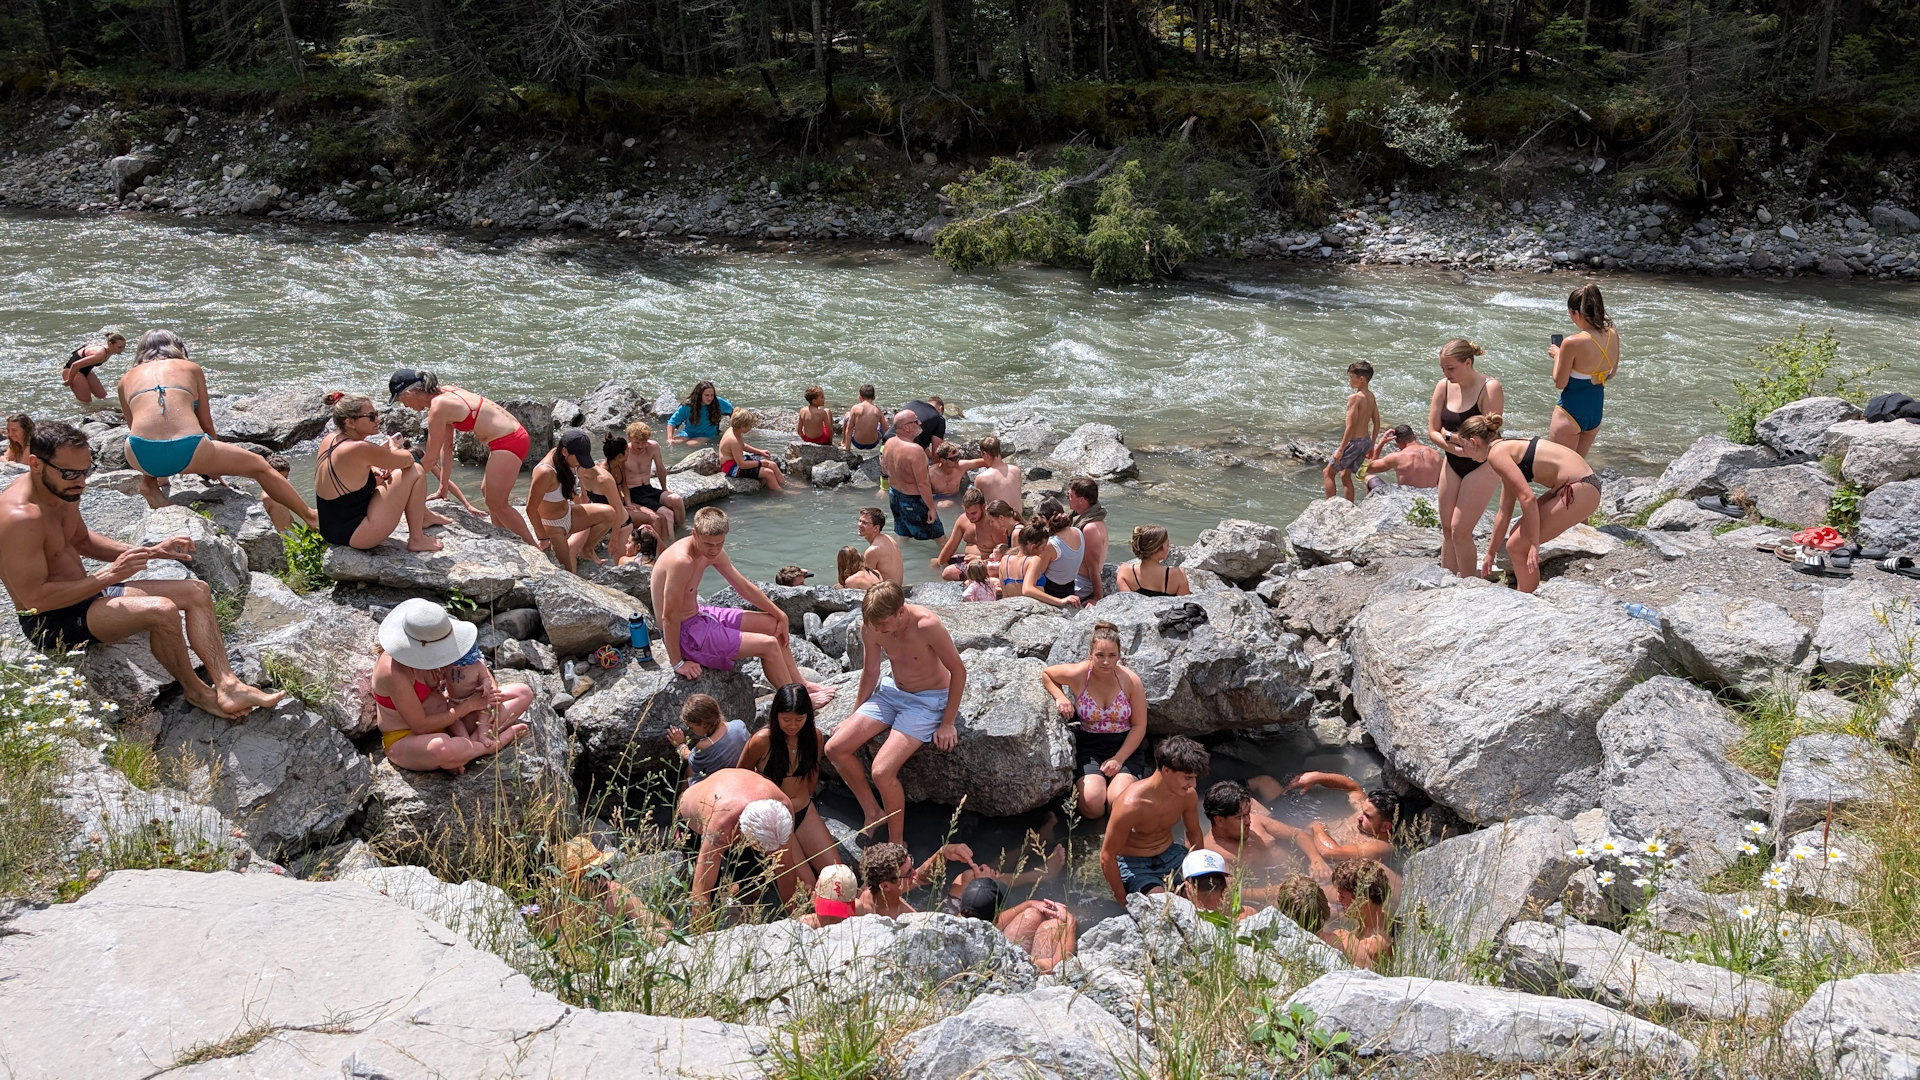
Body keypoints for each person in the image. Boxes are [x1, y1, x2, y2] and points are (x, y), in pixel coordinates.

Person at [0, 421, 284, 719]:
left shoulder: (63, 489)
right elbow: (35, 601)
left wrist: (150, 551)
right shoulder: (18, 519)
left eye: (86, 471)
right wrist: (109, 575)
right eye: (71, 473)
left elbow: (81, 539)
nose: (81, 482)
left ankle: (228, 685)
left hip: (88, 592)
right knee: (161, 611)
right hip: (53, 620)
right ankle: (196, 691)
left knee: (196, 592)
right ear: (34, 464)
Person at [118, 331, 319, 525]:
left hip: (138, 454)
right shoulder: (191, 369)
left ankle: (151, 482)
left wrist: (156, 469)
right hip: (188, 449)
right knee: (259, 466)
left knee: (149, 437)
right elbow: (206, 424)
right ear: (178, 348)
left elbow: (135, 427)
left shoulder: (125, 380)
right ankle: (310, 516)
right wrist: (214, 468)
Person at [823, 580, 966, 846]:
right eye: (874, 625)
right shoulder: (872, 626)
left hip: (928, 701)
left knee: (882, 770)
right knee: (835, 748)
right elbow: (871, 672)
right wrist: (854, 716)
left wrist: (948, 722)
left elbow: (958, 671)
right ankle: (873, 812)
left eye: (883, 625)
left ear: (901, 611)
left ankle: (897, 842)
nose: (878, 631)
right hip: (892, 692)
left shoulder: (927, 625)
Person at [651, 506, 837, 706]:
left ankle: (801, 683)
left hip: (700, 614)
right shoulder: (682, 561)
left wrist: (780, 614)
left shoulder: (712, 551)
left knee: (773, 624)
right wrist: (678, 662)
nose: (714, 550)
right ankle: (797, 702)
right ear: (694, 534)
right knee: (769, 645)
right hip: (686, 634)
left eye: (719, 543)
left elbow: (743, 586)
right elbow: (668, 618)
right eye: (708, 544)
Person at [371, 599, 532, 774]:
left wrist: (487, 690)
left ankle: (467, 748)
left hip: (452, 720)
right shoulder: (393, 671)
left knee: (522, 693)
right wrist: (470, 705)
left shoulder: (436, 642)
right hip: (409, 738)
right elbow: (420, 726)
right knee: (442, 748)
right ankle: (485, 747)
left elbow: (480, 668)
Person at [388, 368, 537, 546]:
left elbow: (429, 460)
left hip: (509, 441)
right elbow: (447, 447)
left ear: (411, 392)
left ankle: (534, 548)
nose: (404, 406)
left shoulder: (438, 407)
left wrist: (399, 479)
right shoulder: (445, 392)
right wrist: (442, 489)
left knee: (497, 503)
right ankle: (502, 536)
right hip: (511, 436)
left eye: (400, 399)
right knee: (487, 493)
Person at [1461, 413, 1605, 593]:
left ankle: (1527, 601)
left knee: (1516, 546)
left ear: (1473, 441)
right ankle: (1524, 593)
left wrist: (1534, 544)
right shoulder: (1506, 448)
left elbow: (1527, 498)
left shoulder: (1496, 454)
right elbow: (1504, 512)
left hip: (1578, 489)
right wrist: (1490, 554)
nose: (1463, 452)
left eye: (1463, 446)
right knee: (1515, 539)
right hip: (1581, 487)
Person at [1040, 620, 1148, 821]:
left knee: (1118, 801)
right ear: (1091, 654)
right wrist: (1060, 697)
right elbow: (1047, 674)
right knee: (1092, 804)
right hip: (1091, 745)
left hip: (1125, 745)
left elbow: (1140, 725)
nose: (1106, 661)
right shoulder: (1080, 674)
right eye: (1100, 655)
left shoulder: (1130, 680)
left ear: (1119, 655)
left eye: (1112, 656)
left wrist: (1119, 759)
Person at [313, 392, 445, 552]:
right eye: (371, 416)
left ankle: (424, 516)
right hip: (357, 534)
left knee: (393, 471)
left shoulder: (331, 439)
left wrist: (374, 468)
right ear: (350, 422)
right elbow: (408, 460)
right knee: (415, 470)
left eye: (376, 414)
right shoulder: (359, 448)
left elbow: (347, 470)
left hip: (330, 529)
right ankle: (417, 538)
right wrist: (394, 448)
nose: (378, 420)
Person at [738, 683, 841, 885]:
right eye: (786, 719)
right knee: (808, 887)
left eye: (799, 719)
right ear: (775, 715)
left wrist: (809, 799)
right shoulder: (761, 740)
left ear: (807, 717)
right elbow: (741, 775)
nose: (792, 725)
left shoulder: (814, 736)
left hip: (804, 810)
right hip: (775, 817)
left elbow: (813, 772)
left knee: (838, 877)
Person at [1426, 339, 1505, 579]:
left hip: (1483, 465)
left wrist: (1449, 436)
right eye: (1442, 368)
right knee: (1448, 530)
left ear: (1468, 362)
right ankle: (1446, 583)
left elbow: (1487, 438)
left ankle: (1470, 585)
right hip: (1452, 461)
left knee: (1461, 530)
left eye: (1451, 368)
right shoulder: (1443, 386)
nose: (1446, 373)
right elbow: (1432, 430)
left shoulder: (1489, 388)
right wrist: (1454, 444)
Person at [1100, 736, 1209, 903]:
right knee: (1161, 904)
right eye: (1188, 777)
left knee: (1204, 896)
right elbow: (1107, 855)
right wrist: (1122, 899)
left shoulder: (1187, 796)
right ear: (1166, 770)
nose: (1193, 784)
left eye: (1195, 778)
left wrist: (1198, 872)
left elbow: (1194, 833)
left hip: (1171, 854)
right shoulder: (1130, 805)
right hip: (1136, 864)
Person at [676, 768, 797, 915]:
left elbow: (784, 866)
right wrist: (702, 935)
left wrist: (795, 915)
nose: (770, 854)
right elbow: (702, 889)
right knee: (709, 896)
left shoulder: (783, 807)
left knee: (751, 886)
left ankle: (737, 893)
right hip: (692, 816)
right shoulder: (721, 823)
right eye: (764, 849)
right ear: (744, 832)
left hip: (737, 800)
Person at [1202, 781, 1325, 902]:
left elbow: (1298, 835)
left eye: (1247, 814)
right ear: (1219, 821)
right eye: (1240, 817)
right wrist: (1278, 890)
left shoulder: (1257, 823)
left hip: (1306, 872)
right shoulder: (1213, 854)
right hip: (1275, 894)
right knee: (1329, 911)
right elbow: (1231, 891)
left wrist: (1316, 860)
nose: (1248, 821)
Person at [526, 429, 624, 572]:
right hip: (553, 526)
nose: (580, 463)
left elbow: (571, 488)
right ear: (565, 452)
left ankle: (587, 549)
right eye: (578, 458)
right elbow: (530, 508)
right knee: (568, 572)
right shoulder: (545, 472)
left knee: (610, 513)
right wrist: (543, 538)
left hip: (569, 514)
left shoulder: (563, 457)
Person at [1547, 283, 1621, 457]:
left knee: (1559, 474)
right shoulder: (1612, 334)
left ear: (1576, 313)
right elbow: (1612, 373)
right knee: (1577, 472)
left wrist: (1557, 355)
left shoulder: (1572, 342)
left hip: (1570, 412)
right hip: (1594, 413)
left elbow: (1560, 382)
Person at [1263, 771, 1399, 866]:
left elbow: (1330, 852)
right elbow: (1352, 787)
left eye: (1367, 816)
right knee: (1266, 787)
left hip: (1309, 855)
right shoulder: (1365, 812)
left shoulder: (1380, 847)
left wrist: (1316, 827)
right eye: (1362, 810)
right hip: (1303, 833)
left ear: (1385, 826)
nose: (1359, 816)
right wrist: (1317, 777)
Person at [951, 877, 1077, 975]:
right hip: (1019, 993)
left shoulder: (949, 932)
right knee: (1054, 926)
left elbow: (989, 923)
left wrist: (1028, 904)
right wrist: (1070, 923)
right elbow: (1054, 966)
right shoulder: (1000, 960)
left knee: (1031, 914)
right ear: (997, 915)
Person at [1324, 361, 1381, 503]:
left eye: (1351, 377)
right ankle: (1349, 506)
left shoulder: (1354, 398)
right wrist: (1372, 445)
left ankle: (1329, 507)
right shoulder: (1370, 396)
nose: (1350, 380)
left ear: (1361, 379)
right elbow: (1377, 422)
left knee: (1328, 473)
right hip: (1365, 442)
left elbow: (1350, 427)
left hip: (1354, 443)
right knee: (1345, 475)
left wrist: (1341, 450)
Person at [882, 409, 943, 540]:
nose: (920, 423)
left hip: (894, 497)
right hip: (913, 501)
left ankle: (895, 557)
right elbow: (923, 484)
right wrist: (931, 508)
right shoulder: (915, 451)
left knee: (904, 535)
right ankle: (945, 560)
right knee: (940, 538)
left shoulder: (889, 443)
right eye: (916, 421)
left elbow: (885, 470)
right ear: (906, 428)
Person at [623, 421, 684, 541]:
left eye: (643, 442)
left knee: (677, 500)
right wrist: (628, 502)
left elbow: (660, 469)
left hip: (648, 488)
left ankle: (682, 531)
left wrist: (665, 489)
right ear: (629, 438)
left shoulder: (653, 447)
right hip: (633, 492)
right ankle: (670, 544)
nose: (640, 446)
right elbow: (621, 480)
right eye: (637, 443)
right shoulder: (624, 452)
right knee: (667, 514)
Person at [1326, 859, 1394, 969]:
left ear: (1362, 901)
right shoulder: (1381, 918)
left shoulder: (1370, 946)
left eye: (1342, 896)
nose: (1338, 899)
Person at [669, 692, 750, 783]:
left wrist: (680, 745)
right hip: (743, 771)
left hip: (721, 782)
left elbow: (691, 758)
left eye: (691, 727)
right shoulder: (739, 725)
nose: (689, 729)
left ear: (703, 724)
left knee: (689, 772)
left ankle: (682, 795)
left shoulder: (705, 745)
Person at [1017, 501, 1084, 610]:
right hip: (1071, 587)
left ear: (1044, 517)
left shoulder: (1051, 544)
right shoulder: (1078, 531)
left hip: (1052, 592)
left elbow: (1038, 574)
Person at [932, 488, 1010, 580]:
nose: (970, 517)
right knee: (935, 562)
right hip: (968, 559)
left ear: (983, 507)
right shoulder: (963, 519)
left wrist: (978, 557)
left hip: (987, 563)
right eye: (967, 513)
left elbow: (1004, 553)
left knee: (948, 572)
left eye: (973, 513)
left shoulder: (993, 524)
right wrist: (940, 562)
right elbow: (951, 545)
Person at [1177, 848, 1255, 920]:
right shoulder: (1248, 915)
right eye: (1203, 884)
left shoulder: (1176, 920)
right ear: (1226, 885)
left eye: (1215, 881)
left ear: (1187, 886)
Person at [1364, 424, 1443, 494]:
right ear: (1415, 436)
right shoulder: (1435, 454)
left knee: (1369, 478)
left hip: (1406, 502)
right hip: (1428, 501)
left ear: (1397, 442)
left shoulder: (1397, 457)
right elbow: (1441, 484)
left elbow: (1369, 469)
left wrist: (1381, 444)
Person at [717, 411, 784, 492]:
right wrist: (760, 463)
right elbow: (741, 465)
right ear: (742, 426)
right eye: (750, 425)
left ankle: (784, 484)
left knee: (772, 464)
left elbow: (742, 445)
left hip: (737, 460)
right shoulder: (734, 440)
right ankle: (780, 493)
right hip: (731, 467)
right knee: (768, 473)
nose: (751, 427)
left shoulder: (734, 430)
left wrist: (759, 451)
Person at [1116, 525, 1190, 597]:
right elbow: (1186, 605)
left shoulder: (1124, 571)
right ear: (1157, 548)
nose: (1169, 547)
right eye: (1167, 544)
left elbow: (1127, 603)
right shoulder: (1178, 575)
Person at [1067, 478, 1108, 603]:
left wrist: (1097, 598)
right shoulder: (1085, 519)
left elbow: (1093, 566)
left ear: (1082, 500)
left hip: (1081, 583)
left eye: (1070, 495)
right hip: (1075, 577)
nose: (1068, 498)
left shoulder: (1090, 528)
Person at [61, 332, 124, 405]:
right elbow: (75, 365)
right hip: (72, 371)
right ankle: (88, 415)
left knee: (102, 396)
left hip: (86, 369)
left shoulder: (109, 349)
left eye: (123, 346)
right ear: (110, 344)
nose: (122, 349)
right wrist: (70, 380)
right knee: (86, 402)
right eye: (119, 347)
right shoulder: (101, 354)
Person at [958, 436, 1021, 507]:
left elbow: (977, 504)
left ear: (985, 454)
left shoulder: (981, 478)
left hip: (997, 517)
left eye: (982, 455)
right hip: (1018, 516)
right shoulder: (1016, 470)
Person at [668, 381, 732, 444]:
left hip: (708, 435)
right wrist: (669, 438)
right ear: (699, 395)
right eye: (706, 395)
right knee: (674, 443)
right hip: (688, 433)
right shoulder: (687, 406)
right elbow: (672, 422)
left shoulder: (718, 402)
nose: (710, 398)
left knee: (691, 444)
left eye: (712, 395)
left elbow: (733, 411)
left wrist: (732, 429)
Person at [798, 864, 861, 928]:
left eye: (838, 912)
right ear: (813, 898)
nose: (830, 921)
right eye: (826, 913)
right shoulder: (804, 923)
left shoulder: (859, 912)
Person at [856, 506, 904, 585]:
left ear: (876, 528)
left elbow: (865, 580)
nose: (859, 524)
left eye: (864, 523)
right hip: (897, 590)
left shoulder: (872, 550)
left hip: (887, 594)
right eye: (859, 521)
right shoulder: (889, 538)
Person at [841, 384, 885, 451]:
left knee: (847, 414)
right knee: (884, 422)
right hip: (873, 444)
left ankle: (844, 443)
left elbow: (849, 429)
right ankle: (885, 447)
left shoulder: (855, 408)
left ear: (860, 397)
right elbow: (886, 429)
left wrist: (848, 448)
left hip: (857, 443)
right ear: (874, 397)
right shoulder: (877, 410)